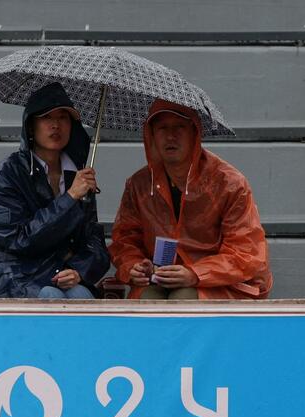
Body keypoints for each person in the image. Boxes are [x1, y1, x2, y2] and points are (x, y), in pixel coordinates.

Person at [0, 82, 110, 299]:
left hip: (50, 271)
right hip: (2, 271)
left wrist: (78, 271)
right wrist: (70, 197)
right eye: (47, 118)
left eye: (63, 117)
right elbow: (18, 240)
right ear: (31, 126)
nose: (56, 125)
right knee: (51, 297)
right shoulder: (8, 174)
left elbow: (93, 242)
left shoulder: (78, 175)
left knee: (82, 295)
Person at [109, 99, 272, 299]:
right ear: (151, 135)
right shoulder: (139, 184)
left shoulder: (229, 183)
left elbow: (245, 252)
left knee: (183, 298)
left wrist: (195, 274)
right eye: (162, 128)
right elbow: (125, 240)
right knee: (148, 299)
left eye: (179, 127)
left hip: (225, 283)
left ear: (195, 133)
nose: (170, 136)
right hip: (163, 279)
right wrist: (133, 266)